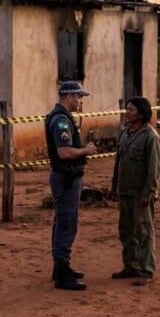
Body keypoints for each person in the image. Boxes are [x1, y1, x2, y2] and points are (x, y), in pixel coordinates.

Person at [45, 81, 98, 290]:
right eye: (78, 97)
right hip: (67, 178)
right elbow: (64, 152)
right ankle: (62, 272)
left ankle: (60, 267)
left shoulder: (61, 118)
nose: (80, 101)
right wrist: (85, 150)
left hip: (66, 177)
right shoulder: (60, 121)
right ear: (68, 97)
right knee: (67, 224)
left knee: (62, 223)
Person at [109, 96, 160, 286]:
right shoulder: (124, 134)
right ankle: (130, 265)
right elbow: (118, 162)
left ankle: (146, 270)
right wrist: (114, 186)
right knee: (126, 230)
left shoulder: (150, 136)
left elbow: (153, 168)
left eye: (130, 109)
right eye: (127, 109)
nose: (127, 112)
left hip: (141, 194)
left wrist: (148, 193)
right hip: (125, 191)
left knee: (144, 232)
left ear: (140, 113)